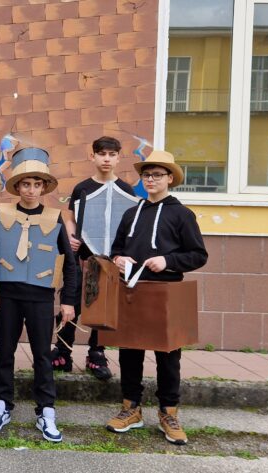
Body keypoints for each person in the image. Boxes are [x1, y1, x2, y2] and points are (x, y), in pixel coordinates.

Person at [105, 150, 207, 445]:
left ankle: (168, 412)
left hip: (166, 293)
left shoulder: (182, 214)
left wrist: (168, 261)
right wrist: (118, 259)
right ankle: (131, 408)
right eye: (147, 175)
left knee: (168, 356)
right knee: (130, 352)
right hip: (132, 291)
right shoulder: (131, 213)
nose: (150, 180)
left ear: (170, 179)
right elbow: (116, 248)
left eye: (157, 175)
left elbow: (198, 254)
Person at [0, 148, 79, 443]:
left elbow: (71, 265)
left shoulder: (55, 217)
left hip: (41, 297)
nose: (31, 190)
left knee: (42, 356)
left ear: (44, 187)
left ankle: (46, 409)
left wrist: (69, 301)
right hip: (8, 296)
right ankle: (2, 403)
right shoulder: (3, 213)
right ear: (17, 187)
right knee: (4, 351)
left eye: (37, 184)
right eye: (26, 184)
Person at [51, 136, 138, 380]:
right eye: (102, 154)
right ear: (93, 156)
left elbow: (128, 226)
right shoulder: (82, 188)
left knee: (103, 307)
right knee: (72, 303)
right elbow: (71, 218)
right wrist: (70, 234)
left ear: (119, 157)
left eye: (112, 154)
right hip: (81, 258)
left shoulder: (126, 190)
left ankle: (96, 353)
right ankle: (62, 351)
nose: (107, 159)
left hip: (110, 261)